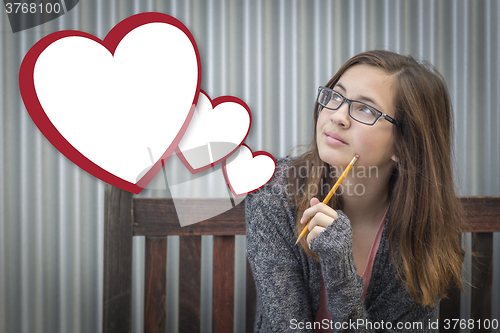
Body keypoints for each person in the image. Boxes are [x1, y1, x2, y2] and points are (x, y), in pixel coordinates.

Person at [245, 50, 465, 332]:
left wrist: (340, 270)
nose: (337, 116)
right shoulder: (273, 192)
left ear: (404, 145)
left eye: (366, 109)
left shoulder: (420, 227)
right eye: (336, 96)